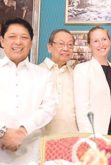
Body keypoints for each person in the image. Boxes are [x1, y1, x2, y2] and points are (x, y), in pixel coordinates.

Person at [0, 18, 56, 164]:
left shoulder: (43, 74)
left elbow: (49, 108)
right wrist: (3, 133)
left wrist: (22, 131)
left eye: (24, 37)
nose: (18, 42)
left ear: (31, 43)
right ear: (2, 41)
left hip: (32, 152)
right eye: (12, 36)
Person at [74, 26, 111, 136]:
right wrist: (90, 137)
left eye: (104, 39)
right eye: (96, 41)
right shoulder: (82, 70)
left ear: (109, 41)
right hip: (97, 135)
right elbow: (82, 109)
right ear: (89, 45)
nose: (101, 44)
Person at [39, 29, 78, 135]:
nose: (66, 48)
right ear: (49, 47)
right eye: (61, 44)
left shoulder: (75, 75)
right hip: (43, 139)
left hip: (72, 137)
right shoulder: (37, 73)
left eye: (70, 45)